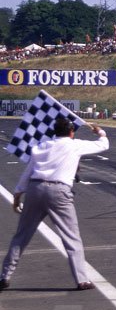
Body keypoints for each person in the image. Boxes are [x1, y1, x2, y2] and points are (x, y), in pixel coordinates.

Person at [1, 118, 109, 292]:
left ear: (54, 131)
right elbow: (103, 145)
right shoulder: (75, 145)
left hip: (35, 189)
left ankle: (4, 276)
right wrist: (100, 133)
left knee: (21, 236)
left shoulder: (40, 147)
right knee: (71, 237)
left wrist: (17, 196)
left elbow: (27, 173)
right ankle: (82, 280)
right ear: (71, 132)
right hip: (59, 191)